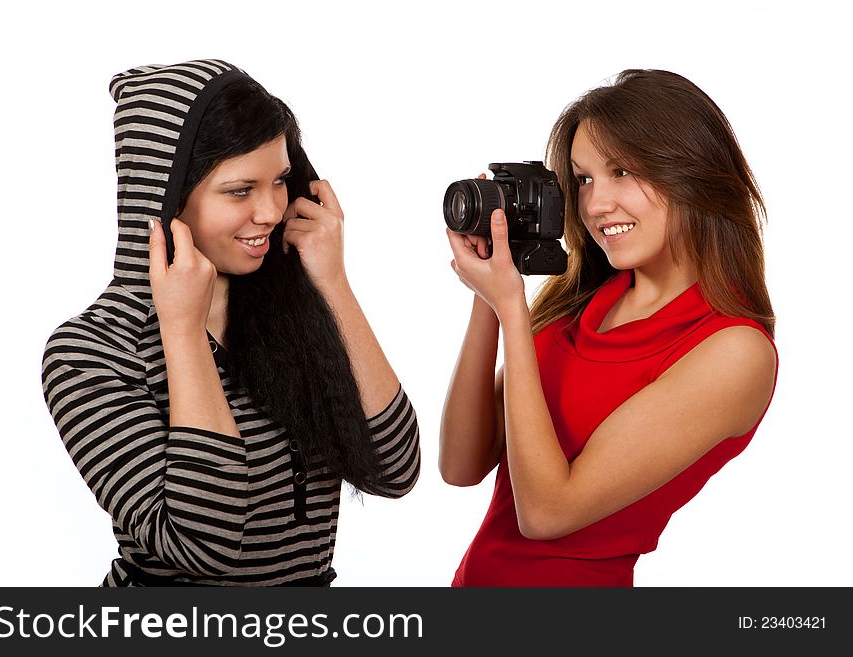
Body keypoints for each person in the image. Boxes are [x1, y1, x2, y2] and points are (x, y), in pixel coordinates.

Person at [41, 59, 420, 586]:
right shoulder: (91, 351)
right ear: (166, 197)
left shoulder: (288, 308)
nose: (269, 211)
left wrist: (333, 285)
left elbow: (394, 469)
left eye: (281, 182)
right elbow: (206, 541)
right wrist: (181, 332)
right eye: (240, 191)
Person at [441, 69, 777, 586]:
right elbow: (461, 465)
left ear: (691, 172)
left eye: (623, 171)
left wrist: (511, 309)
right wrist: (489, 298)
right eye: (583, 179)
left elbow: (548, 514)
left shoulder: (733, 351)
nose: (596, 204)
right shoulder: (581, 304)